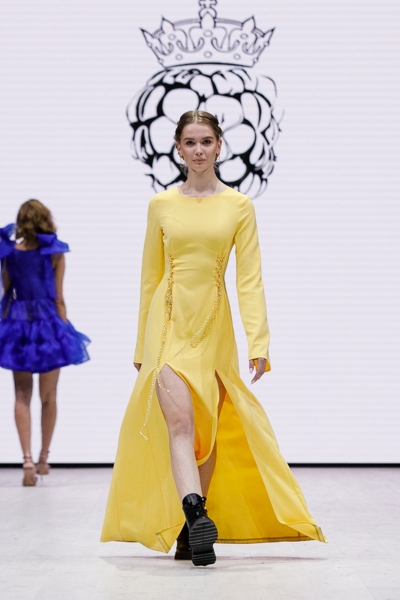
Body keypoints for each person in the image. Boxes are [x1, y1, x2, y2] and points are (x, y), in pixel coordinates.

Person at [101, 110, 326, 566]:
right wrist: (140, 344)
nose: (199, 150)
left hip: (213, 327)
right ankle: (195, 512)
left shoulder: (239, 206)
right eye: (190, 142)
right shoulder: (161, 204)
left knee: (207, 430)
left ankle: (191, 531)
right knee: (181, 423)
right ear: (178, 149)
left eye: (206, 141)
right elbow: (149, 277)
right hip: (167, 326)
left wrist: (259, 342)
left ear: (219, 146)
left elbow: (250, 279)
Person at [0, 200, 90, 486]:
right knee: (48, 396)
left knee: (21, 395)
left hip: (18, 324)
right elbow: (58, 297)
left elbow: (7, 292)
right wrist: (64, 330)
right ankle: (42, 458)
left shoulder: (8, 253)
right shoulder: (54, 253)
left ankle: (26, 459)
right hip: (48, 324)